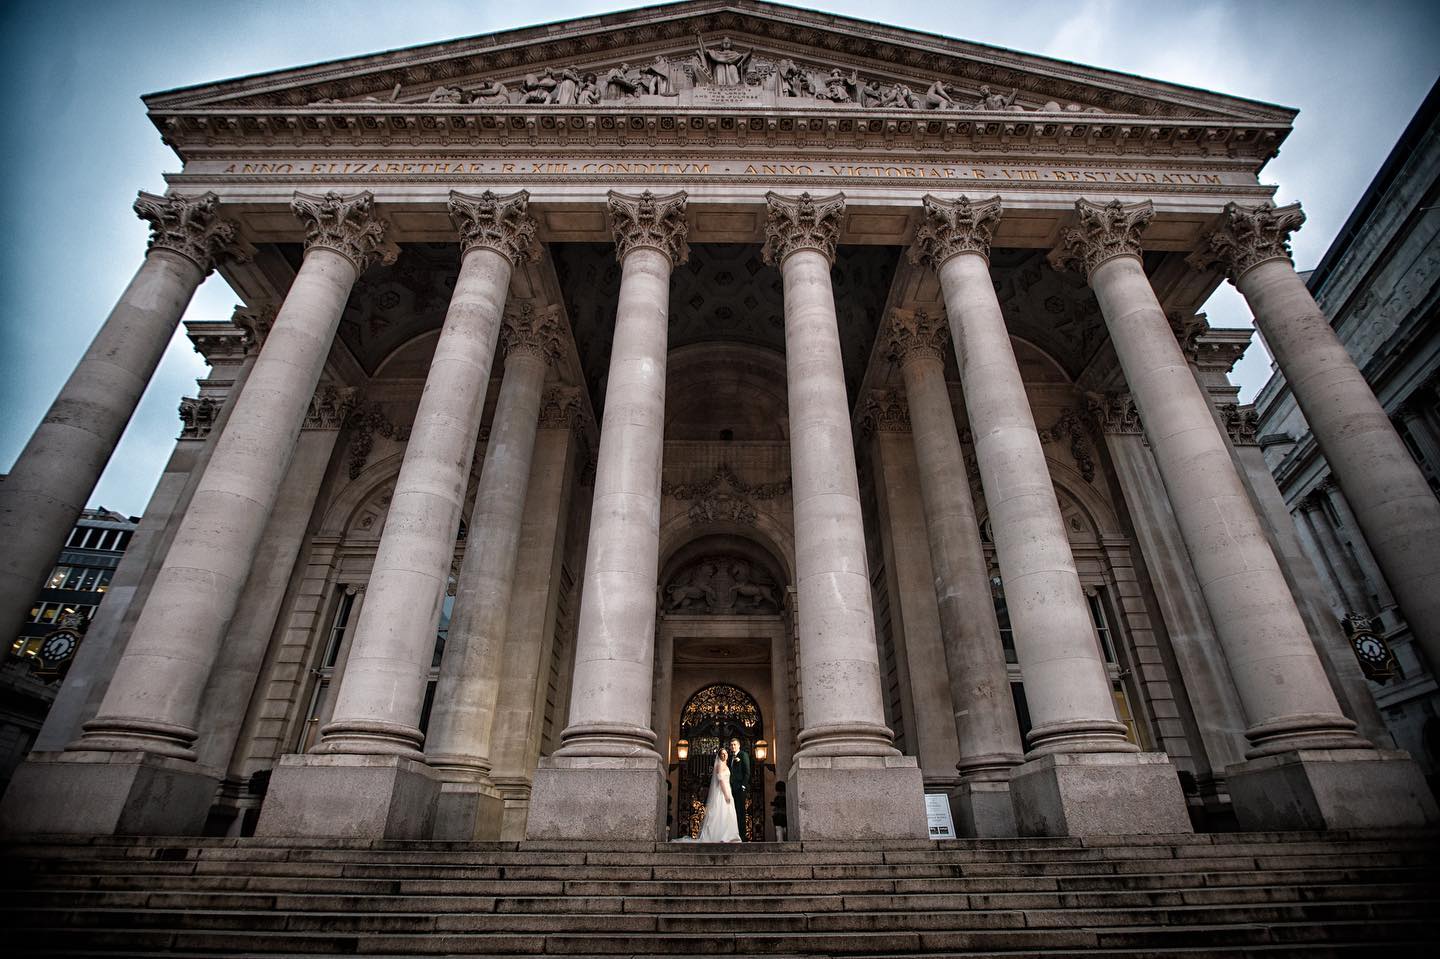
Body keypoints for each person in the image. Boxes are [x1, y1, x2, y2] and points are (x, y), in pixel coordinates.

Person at [694, 747, 741, 842]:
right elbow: (721, 781)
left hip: (728, 789)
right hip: (722, 791)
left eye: (726, 753)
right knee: (722, 812)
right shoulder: (719, 765)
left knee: (728, 813)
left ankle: (730, 835)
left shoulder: (726, 765)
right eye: (722, 754)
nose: (724, 755)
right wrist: (726, 794)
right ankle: (722, 835)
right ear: (719, 756)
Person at [727, 736, 752, 839]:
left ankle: (742, 836)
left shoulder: (743, 755)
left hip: (740, 789)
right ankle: (734, 834)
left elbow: (747, 772)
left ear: (738, 745)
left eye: (734, 745)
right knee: (732, 812)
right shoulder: (731, 758)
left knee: (741, 811)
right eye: (731, 745)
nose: (733, 746)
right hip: (731, 789)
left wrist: (743, 785)